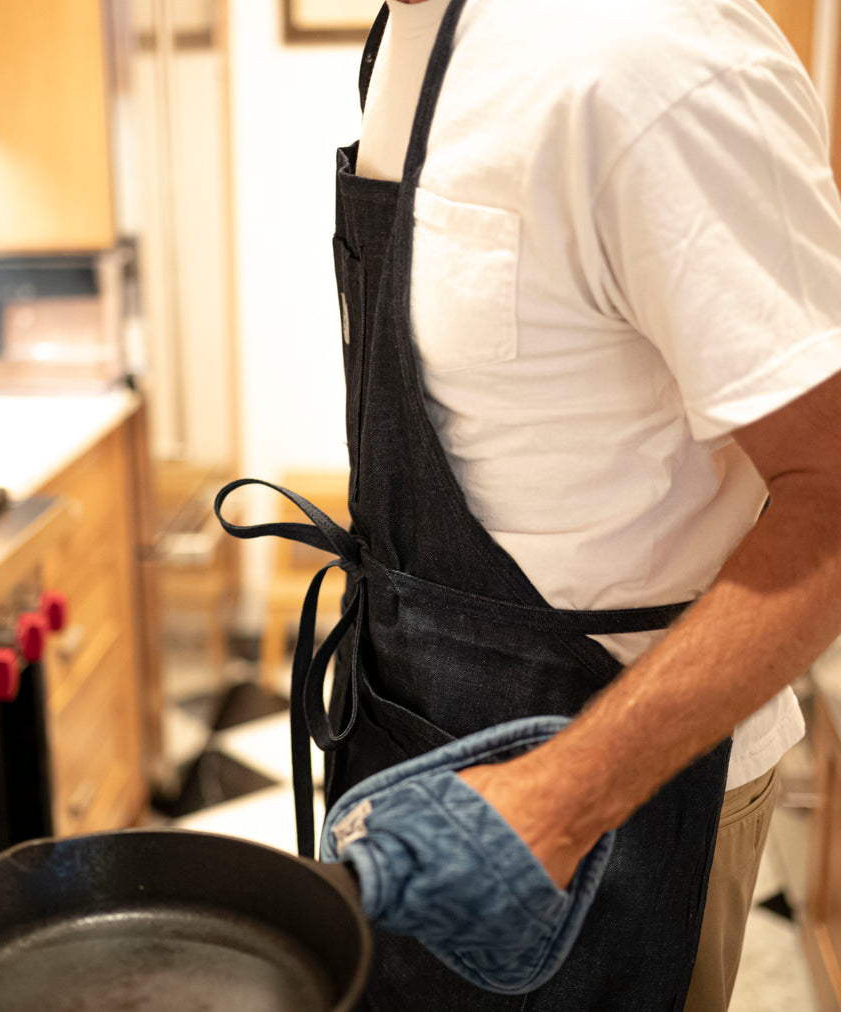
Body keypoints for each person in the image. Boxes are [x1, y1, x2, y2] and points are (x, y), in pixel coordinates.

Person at [219, 0, 841, 1007]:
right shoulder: (413, 36)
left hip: (627, 814)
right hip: (412, 740)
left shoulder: (654, 56)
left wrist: (562, 800)